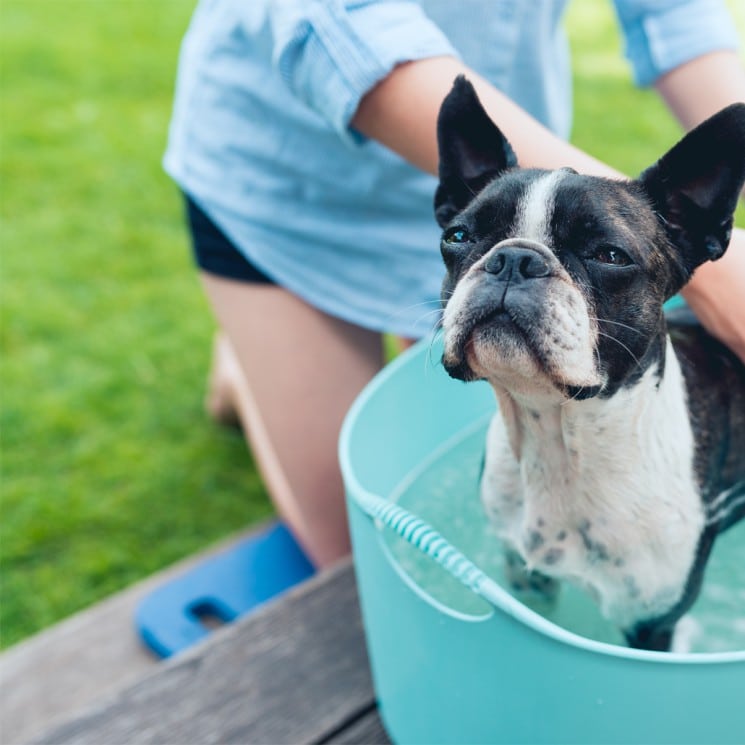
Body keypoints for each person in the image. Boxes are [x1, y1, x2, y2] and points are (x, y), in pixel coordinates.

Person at [164, 0, 745, 568]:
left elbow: (674, 14)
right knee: (362, 555)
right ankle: (250, 371)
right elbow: (344, 33)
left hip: (514, 192)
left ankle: (272, 363)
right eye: (484, 252)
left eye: (608, 252)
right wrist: (676, 253)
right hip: (289, 192)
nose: (513, 268)